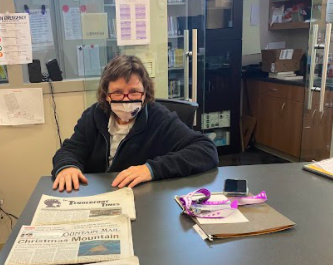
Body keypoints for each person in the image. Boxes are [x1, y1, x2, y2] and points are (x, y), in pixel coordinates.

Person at [52, 55, 218, 192]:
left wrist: (152, 169)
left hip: (141, 198)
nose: (126, 100)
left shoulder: (159, 117)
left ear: (145, 93)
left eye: (133, 92)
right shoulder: (94, 115)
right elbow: (69, 150)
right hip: (97, 193)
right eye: (117, 92)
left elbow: (206, 149)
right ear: (106, 95)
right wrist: (67, 166)